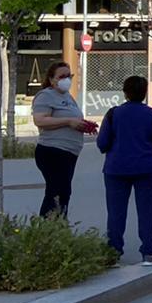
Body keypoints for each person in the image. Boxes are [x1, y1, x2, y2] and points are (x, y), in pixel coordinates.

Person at [97, 75, 152, 265]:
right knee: (147, 211)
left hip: (116, 168)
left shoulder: (113, 114)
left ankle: (114, 252)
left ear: (125, 92)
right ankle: (147, 251)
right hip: (146, 168)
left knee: (115, 212)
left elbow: (102, 144)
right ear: (145, 92)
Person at [32, 60, 93, 218]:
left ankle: (58, 225)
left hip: (69, 152)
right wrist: (68, 121)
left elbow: (72, 119)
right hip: (53, 151)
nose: (66, 79)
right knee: (57, 191)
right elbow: (40, 120)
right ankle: (48, 227)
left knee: (64, 191)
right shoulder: (45, 95)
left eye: (69, 75)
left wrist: (82, 125)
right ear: (52, 79)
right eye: (62, 76)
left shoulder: (67, 96)